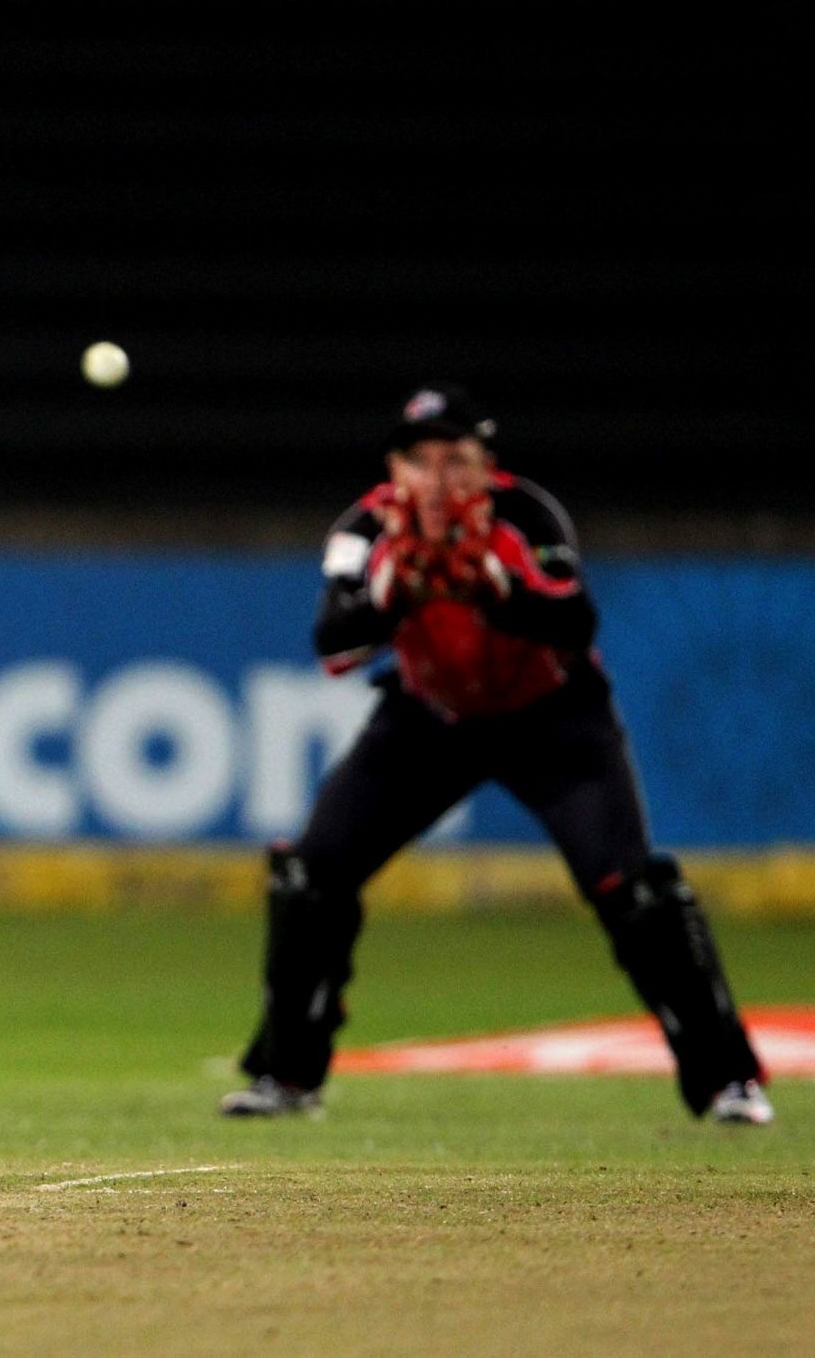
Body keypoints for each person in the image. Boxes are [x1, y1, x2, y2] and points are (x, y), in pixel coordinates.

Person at [220, 383, 771, 1125]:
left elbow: (573, 621)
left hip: (554, 721)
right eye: (420, 460)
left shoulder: (526, 515)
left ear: (487, 466)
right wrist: (395, 590)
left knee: (639, 894)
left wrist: (494, 585)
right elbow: (334, 643)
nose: (439, 479)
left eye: (457, 459)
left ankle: (727, 1081)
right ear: (394, 466)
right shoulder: (364, 530)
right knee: (309, 876)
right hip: (429, 719)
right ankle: (287, 1078)